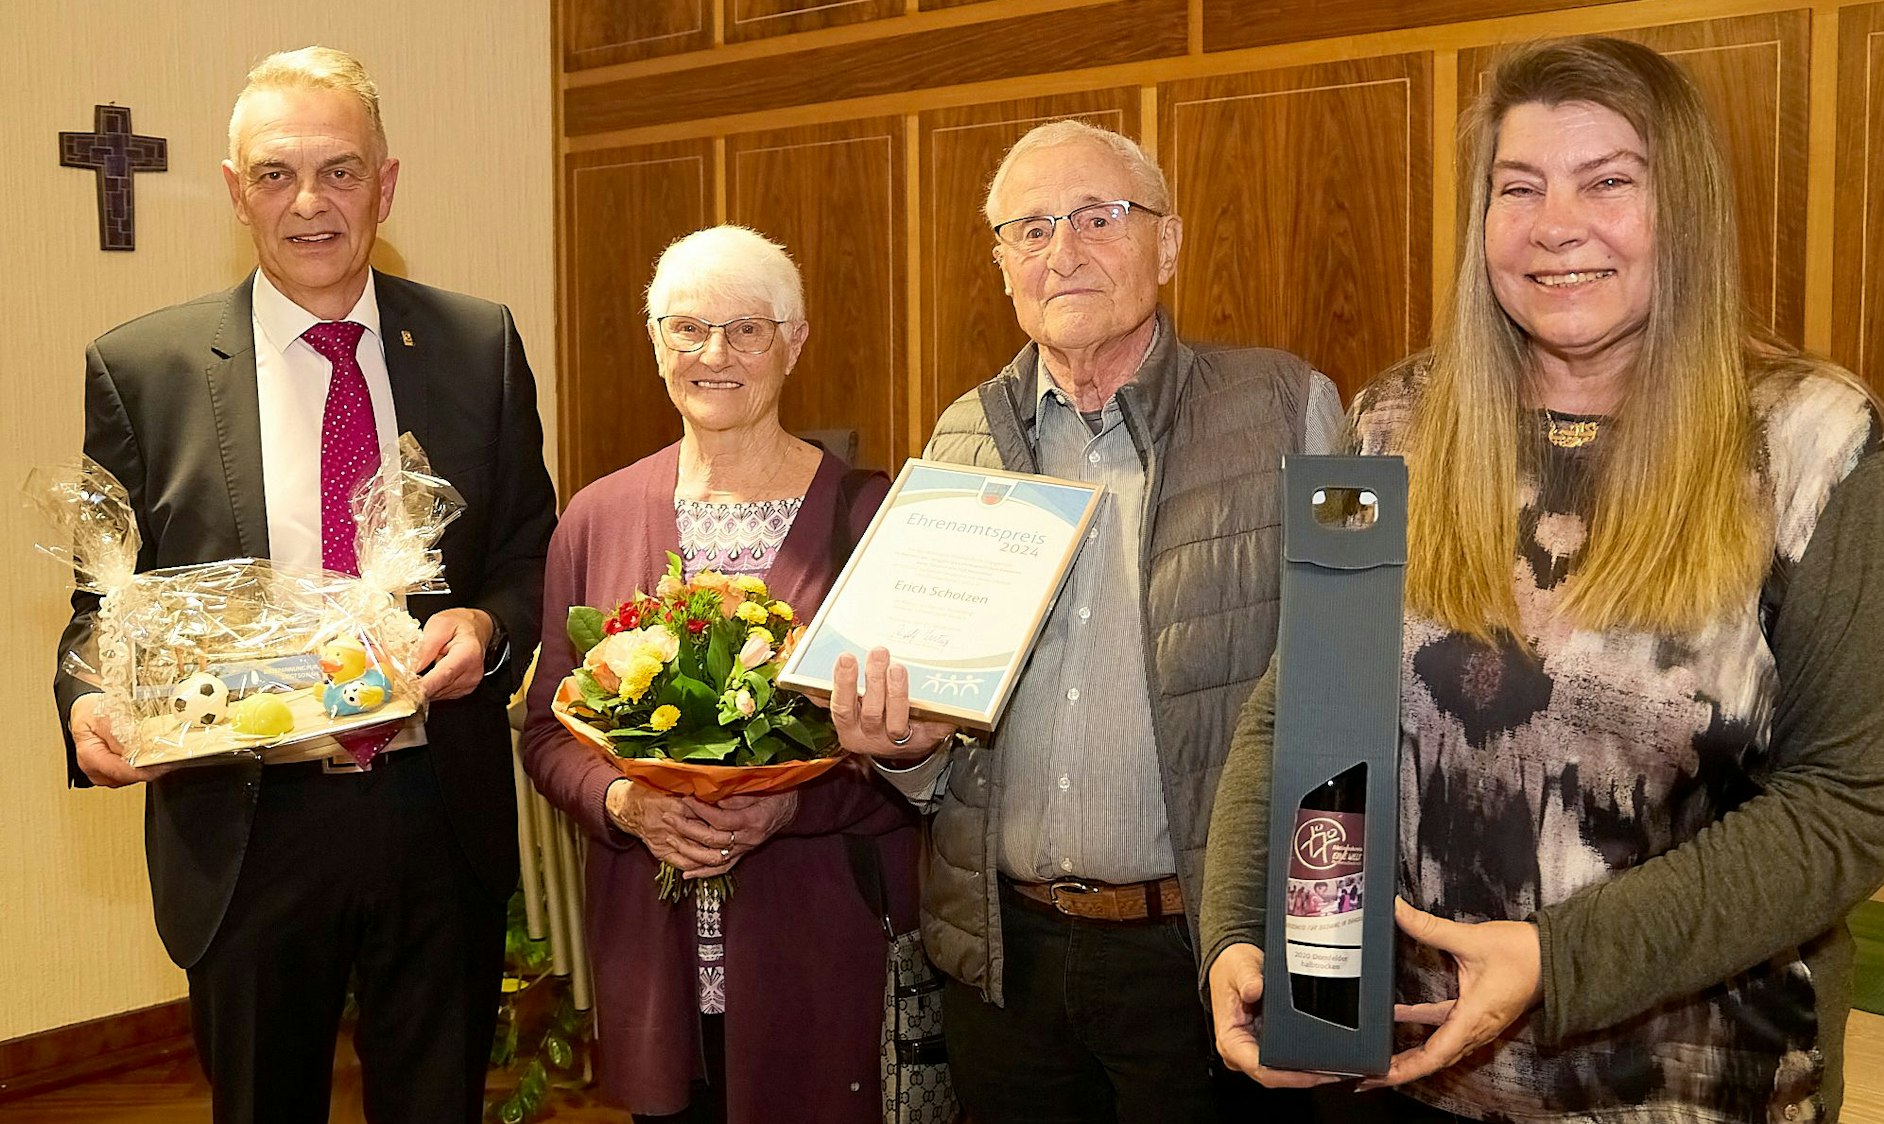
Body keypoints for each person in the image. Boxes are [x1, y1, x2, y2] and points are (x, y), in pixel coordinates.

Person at [1200, 36, 1884, 1123]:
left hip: (1696, 1087)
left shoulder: (1809, 446)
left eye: (1608, 183)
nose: (1557, 224)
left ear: (1681, 209)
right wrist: (1238, 927)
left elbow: (1862, 799)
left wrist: (1559, 957)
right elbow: (1296, 711)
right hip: (1404, 1078)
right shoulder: (1393, 423)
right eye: (1520, 187)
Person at [51, 47, 557, 1124]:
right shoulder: (142, 369)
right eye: (276, 174)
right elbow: (106, 605)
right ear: (236, 192)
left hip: (435, 812)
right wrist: (91, 699)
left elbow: (526, 553)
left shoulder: (478, 344)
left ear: (387, 181)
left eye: (339, 170)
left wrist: (482, 622)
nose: (310, 202)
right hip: (247, 825)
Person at [828, 120, 1343, 1123]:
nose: (1060, 250)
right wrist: (900, 750)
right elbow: (938, 741)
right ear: (1001, 266)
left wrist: (1317, 950)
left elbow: (1350, 696)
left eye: (1096, 218)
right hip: (1007, 957)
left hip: (1203, 953)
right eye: (1028, 229)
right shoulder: (961, 434)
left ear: (1169, 242)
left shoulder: (1288, 405)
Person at [518, 225, 921, 1124]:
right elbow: (548, 730)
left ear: (796, 341)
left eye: (748, 329)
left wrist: (790, 800)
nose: (715, 355)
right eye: (688, 328)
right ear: (655, 340)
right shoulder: (595, 517)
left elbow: (918, 752)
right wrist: (627, 804)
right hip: (653, 954)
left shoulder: (874, 520)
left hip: (819, 944)